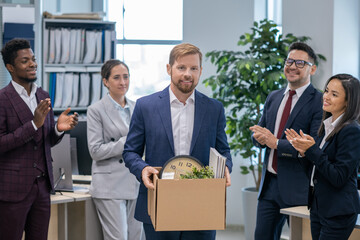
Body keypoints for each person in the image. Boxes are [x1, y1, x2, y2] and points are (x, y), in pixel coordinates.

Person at [123, 43, 232, 240]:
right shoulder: (145, 106)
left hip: (202, 205)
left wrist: (225, 167)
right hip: (159, 202)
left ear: (200, 71)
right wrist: (142, 168)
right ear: (169, 69)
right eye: (181, 67)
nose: (187, 74)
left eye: (194, 68)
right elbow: (130, 152)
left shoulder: (214, 108)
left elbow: (223, 151)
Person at [0, 38, 78, 240]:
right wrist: (34, 124)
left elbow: (45, 142)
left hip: (42, 188)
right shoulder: (2, 99)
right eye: (25, 61)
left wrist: (58, 130)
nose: (33, 64)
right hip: (12, 189)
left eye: (33, 59)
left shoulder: (42, 95)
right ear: (10, 67)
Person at [249, 42, 323, 240]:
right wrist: (257, 137)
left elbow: (313, 144)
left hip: (298, 187)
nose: (292, 66)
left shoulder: (319, 102)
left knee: (302, 237)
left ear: (312, 69)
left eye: (300, 63)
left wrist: (275, 143)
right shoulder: (273, 97)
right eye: (289, 61)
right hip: (269, 186)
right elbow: (261, 133)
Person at [285, 74, 360, 240]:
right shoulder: (326, 126)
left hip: (338, 211)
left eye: (334, 94)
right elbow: (315, 172)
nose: (326, 96)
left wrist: (312, 150)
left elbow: (339, 176)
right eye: (326, 91)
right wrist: (304, 153)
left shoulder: (351, 130)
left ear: (348, 101)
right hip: (319, 207)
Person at [87, 59, 144, 240]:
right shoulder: (96, 110)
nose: (123, 82)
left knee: (137, 237)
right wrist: (128, 143)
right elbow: (95, 150)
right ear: (106, 81)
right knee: (118, 238)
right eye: (117, 78)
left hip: (136, 181)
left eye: (126, 77)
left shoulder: (139, 107)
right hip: (110, 185)